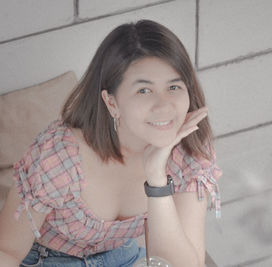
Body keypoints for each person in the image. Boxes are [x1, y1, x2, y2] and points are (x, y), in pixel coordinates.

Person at [0, 20, 222, 267]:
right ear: (112, 102)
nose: (164, 106)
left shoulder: (188, 154)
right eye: (144, 91)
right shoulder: (60, 158)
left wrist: (157, 180)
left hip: (124, 258)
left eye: (173, 86)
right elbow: (6, 251)